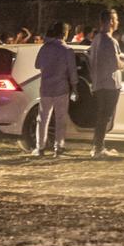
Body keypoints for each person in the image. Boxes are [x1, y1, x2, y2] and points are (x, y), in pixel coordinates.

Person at [33, 21, 78, 157]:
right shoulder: (67, 50)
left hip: (46, 88)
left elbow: (37, 65)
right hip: (61, 88)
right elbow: (72, 71)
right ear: (64, 33)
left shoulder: (44, 48)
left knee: (42, 119)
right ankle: (59, 148)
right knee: (60, 119)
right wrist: (75, 87)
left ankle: (40, 147)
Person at [87, 9, 124, 158]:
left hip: (99, 83)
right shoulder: (111, 41)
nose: (118, 22)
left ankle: (97, 147)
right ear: (110, 21)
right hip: (110, 84)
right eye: (116, 19)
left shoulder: (97, 39)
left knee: (102, 116)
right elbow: (116, 63)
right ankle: (99, 148)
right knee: (105, 117)